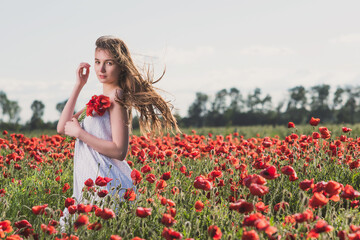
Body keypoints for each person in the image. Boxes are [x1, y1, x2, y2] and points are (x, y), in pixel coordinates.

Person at [57, 36, 180, 226]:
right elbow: (63, 127)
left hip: (106, 184)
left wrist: (81, 134)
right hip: (89, 183)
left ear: (121, 66)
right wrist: (78, 85)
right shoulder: (99, 97)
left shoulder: (117, 97)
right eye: (97, 62)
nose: (101, 69)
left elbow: (119, 151)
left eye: (109, 63)